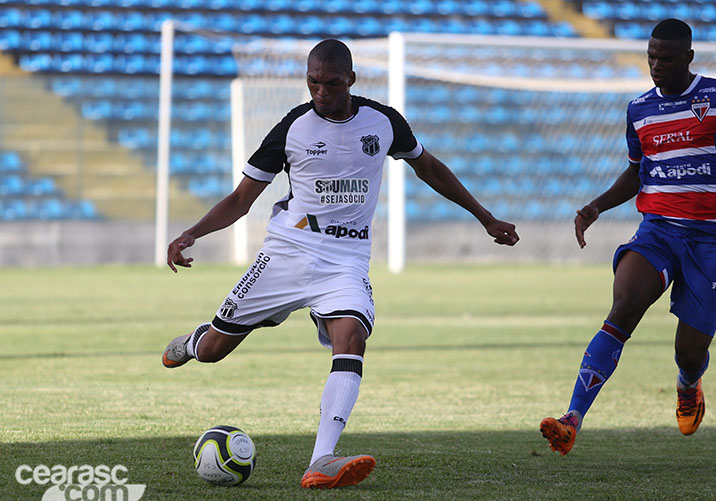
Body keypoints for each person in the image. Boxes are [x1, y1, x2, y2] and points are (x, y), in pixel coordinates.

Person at [161, 39, 519, 488]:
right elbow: (240, 199)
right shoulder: (292, 128)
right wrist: (191, 233)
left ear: (351, 79)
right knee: (214, 352)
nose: (320, 92)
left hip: (345, 261)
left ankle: (321, 459)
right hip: (287, 253)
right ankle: (196, 342)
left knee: (350, 337)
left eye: (331, 83)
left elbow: (429, 168)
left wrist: (485, 217)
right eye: (313, 82)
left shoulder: (384, 122)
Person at [540, 18, 716, 456]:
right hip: (657, 230)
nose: (656, 65)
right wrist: (596, 206)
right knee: (623, 306)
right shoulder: (638, 109)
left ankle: (689, 383)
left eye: (666, 58)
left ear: (688, 58)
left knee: (690, 352)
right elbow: (637, 172)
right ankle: (572, 419)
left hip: (711, 238)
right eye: (651, 56)